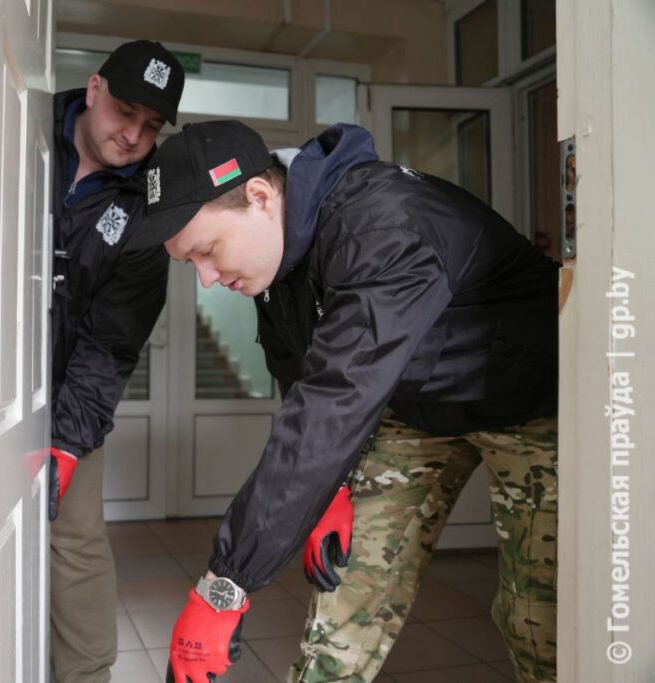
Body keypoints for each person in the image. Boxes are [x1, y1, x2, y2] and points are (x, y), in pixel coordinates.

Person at [133, 120, 558, 683]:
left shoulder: (381, 228)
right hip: (415, 405)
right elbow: (297, 372)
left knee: (536, 621)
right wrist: (329, 489)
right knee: (343, 607)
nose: (207, 278)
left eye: (207, 251)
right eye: (191, 263)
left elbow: (332, 405)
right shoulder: (276, 258)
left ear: (260, 197)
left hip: (527, 400)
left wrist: (223, 585)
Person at [47, 41, 184, 683]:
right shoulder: (19, 131)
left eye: (151, 126)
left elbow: (114, 338)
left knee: (74, 544)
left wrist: (68, 439)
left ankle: (86, 677)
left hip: (74, 395)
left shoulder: (146, 208)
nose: (132, 136)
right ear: (94, 89)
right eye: (125, 112)